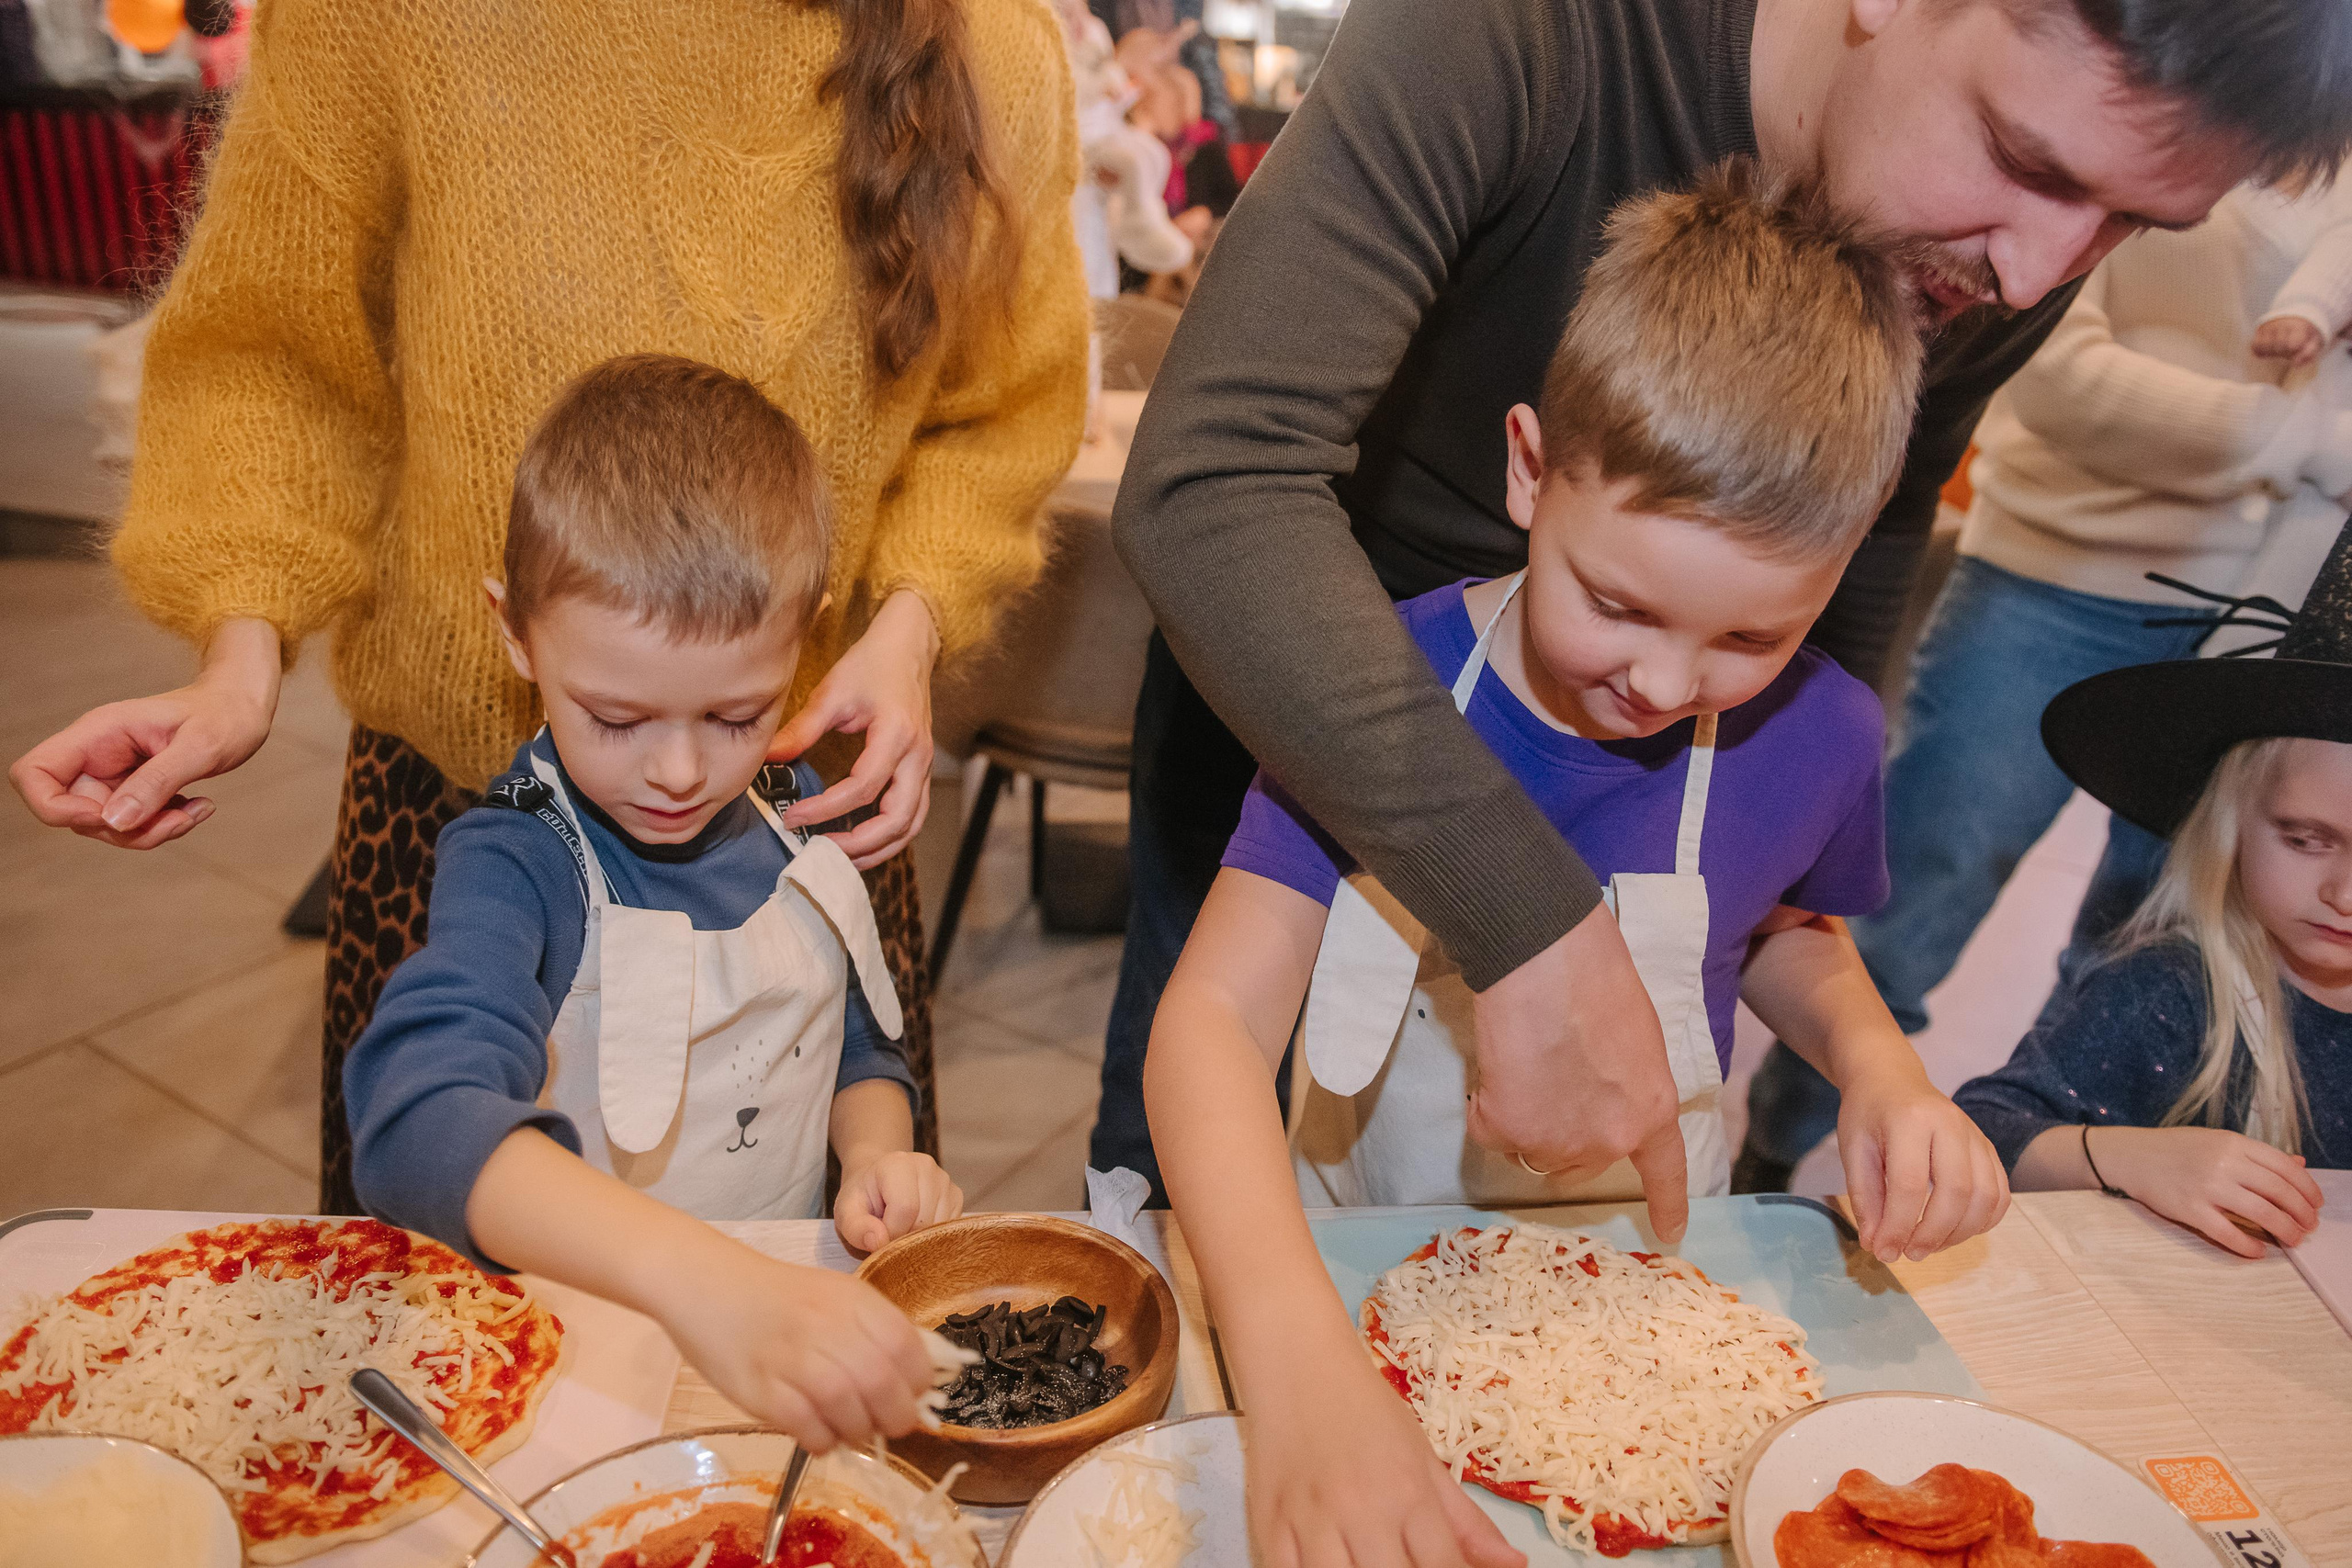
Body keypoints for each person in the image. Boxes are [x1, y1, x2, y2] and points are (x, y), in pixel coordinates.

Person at [1096, 0, 2352, 1227]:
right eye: (2026, 158)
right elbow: (1217, 480)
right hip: (1313, 669)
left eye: (2132, 223)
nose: (2035, 275)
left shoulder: (2002, 256)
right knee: (1181, 1191)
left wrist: (1795, 764)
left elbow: (1880, 527)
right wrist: (1529, 915)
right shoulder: (1510, 32)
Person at [5, 0, 1091, 1216]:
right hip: (457, 798)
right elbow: (270, 354)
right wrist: (237, 654)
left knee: (826, 1242)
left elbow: (1002, 408)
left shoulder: (993, 46)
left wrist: (907, 626)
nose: (665, 766)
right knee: (453, 1306)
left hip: (791, 788)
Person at [1147, 166, 2009, 1568]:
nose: (1666, 682)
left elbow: (1785, 926)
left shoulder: (1824, 734)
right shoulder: (1372, 687)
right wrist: (1294, 1351)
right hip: (1340, 1276)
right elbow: (1209, 1026)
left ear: (1848, 559)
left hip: (1643, 1311)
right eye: (1617, 602)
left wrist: (1882, 1066)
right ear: (1531, 469)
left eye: (1749, 640)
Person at [345, 356, 960, 1448]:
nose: (678, 772)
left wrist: (874, 1156)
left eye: (736, 715)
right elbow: (412, 1116)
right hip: (567, 1358)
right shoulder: (518, 862)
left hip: (778, 1338)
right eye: (617, 719)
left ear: (808, 636)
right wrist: (700, 1282)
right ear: (514, 632)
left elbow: (856, 1045)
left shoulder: (794, 811)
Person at [1738, 178, 2352, 1190]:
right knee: (1914, 891)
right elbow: (2060, 378)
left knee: (2144, 943)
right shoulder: (2145, 130)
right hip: (2060, 577)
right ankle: (1772, 1155)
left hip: (2277, 629)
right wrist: (2309, 444)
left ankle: (2093, 1182)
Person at [1953, 523, 2352, 1258]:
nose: (2345, 895)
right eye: (2305, 839)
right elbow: (1981, 1132)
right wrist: (2124, 1156)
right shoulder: (2168, 996)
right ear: (2229, 825)